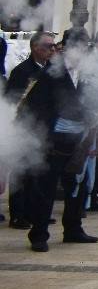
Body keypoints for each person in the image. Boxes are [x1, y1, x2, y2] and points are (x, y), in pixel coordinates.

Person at [21, 34, 98, 251]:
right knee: (46, 188)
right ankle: (39, 234)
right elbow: (36, 107)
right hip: (54, 139)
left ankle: (73, 228)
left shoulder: (85, 74)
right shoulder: (51, 73)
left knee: (76, 186)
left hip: (78, 139)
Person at [5, 31, 55, 230]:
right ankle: (18, 214)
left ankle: (36, 212)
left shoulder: (51, 70)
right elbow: (12, 100)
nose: (52, 49)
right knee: (21, 173)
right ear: (35, 47)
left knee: (37, 173)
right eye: (48, 46)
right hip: (24, 127)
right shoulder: (22, 70)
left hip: (43, 129)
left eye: (53, 46)